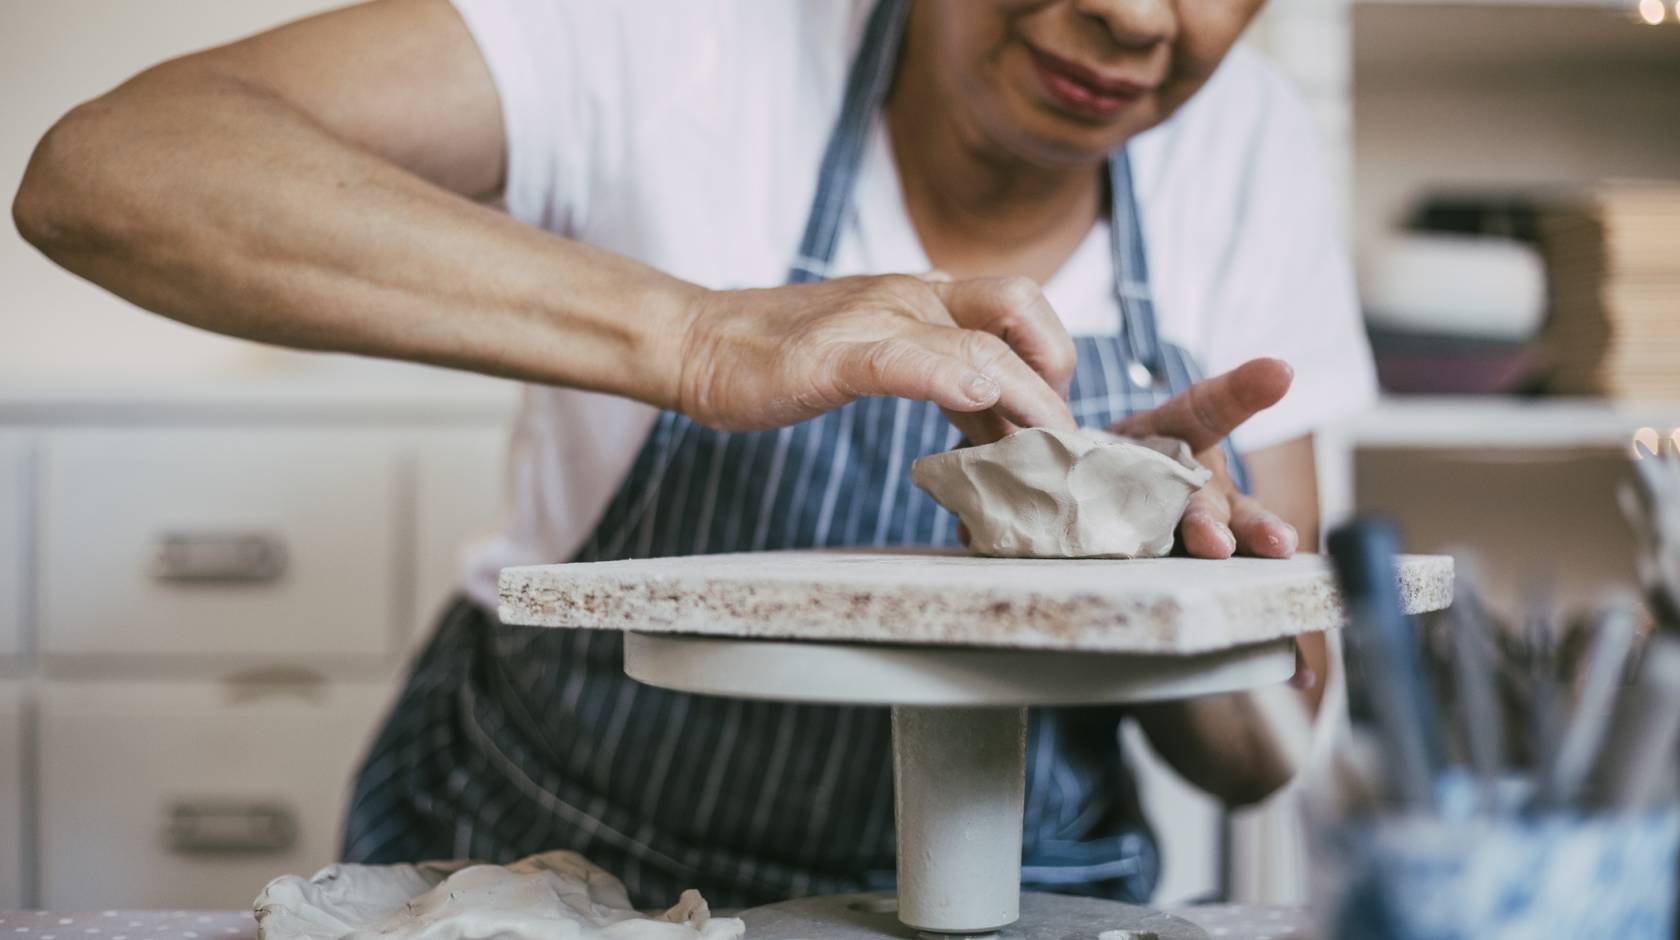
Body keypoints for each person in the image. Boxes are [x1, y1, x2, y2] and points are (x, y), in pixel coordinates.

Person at [14, 0, 1376, 909]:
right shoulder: (677, 35)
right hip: (558, 871)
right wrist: (699, 336)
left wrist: (1146, 593)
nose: (1143, 16)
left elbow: (1264, 753)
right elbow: (111, 172)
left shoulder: (1243, 146)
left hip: (1021, 898)